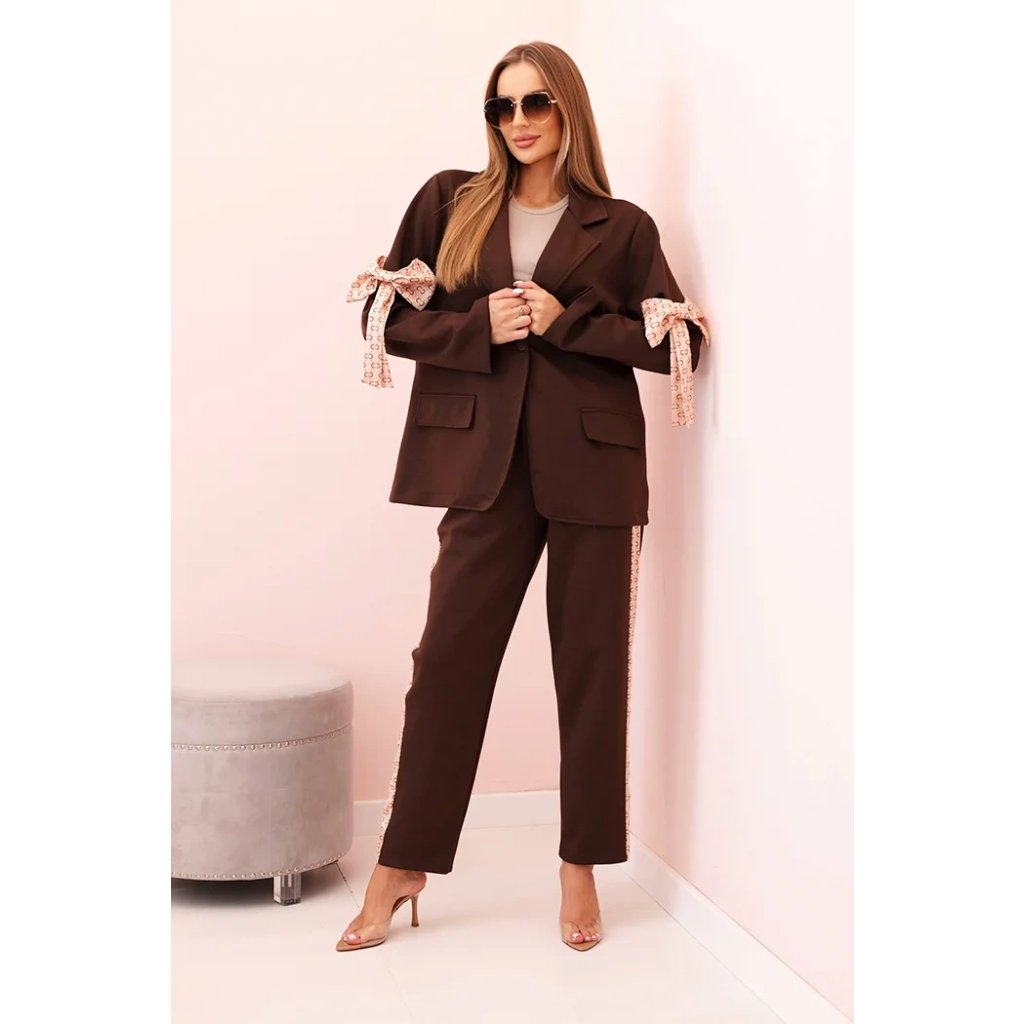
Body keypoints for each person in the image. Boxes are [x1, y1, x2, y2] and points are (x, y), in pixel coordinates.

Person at [339, 41, 708, 953]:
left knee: (592, 670)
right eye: (502, 107)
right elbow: (386, 317)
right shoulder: (450, 201)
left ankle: (580, 864)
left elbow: (680, 345)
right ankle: (402, 862)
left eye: (536, 102)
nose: (519, 121)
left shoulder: (623, 227)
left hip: (596, 472)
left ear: (567, 107)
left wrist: (566, 320)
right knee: (447, 663)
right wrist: (480, 325)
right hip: (482, 468)